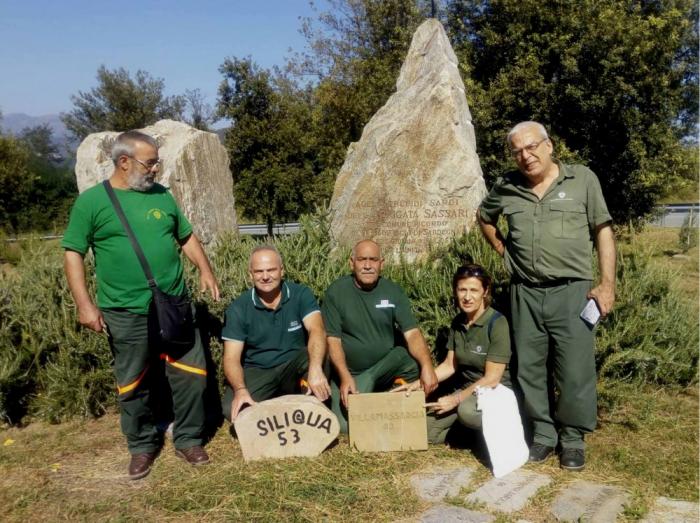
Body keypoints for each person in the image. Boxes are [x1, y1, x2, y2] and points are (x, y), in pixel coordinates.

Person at [62, 130, 220, 480]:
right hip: (125, 310)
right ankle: (142, 447)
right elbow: (73, 253)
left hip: (174, 303)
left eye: (156, 162)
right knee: (133, 382)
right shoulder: (92, 203)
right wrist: (84, 305)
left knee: (191, 374)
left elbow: (186, 236)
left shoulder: (162, 196)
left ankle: (189, 439)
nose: (155, 170)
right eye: (150, 163)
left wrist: (205, 270)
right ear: (124, 162)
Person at [478, 121, 616, 471]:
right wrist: (502, 248)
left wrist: (607, 284)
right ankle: (543, 435)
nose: (526, 156)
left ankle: (572, 439)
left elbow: (603, 230)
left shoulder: (582, 179)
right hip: (524, 292)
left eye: (532, 147)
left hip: (572, 292)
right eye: (517, 151)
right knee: (529, 368)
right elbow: (484, 216)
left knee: (574, 370)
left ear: (549, 146)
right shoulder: (507, 186)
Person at [322, 239, 438, 433]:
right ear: (352, 263)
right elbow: (333, 340)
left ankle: (392, 395)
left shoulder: (393, 291)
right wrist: (344, 376)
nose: (367, 265)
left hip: (383, 368)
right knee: (344, 427)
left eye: (373, 260)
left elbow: (412, 333)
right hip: (350, 373)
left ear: (381, 264)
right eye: (362, 260)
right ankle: (367, 393)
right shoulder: (336, 292)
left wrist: (427, 367)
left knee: (408, 359)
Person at [394, 264, 512, 444]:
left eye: (474, 290)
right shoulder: (458, 322)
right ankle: (472, 437)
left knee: (467, 412)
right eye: (462, 289)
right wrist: (418, 384)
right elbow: (449, 365)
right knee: (428, 432)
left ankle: (501, 432)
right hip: (468, 390)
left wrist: (455, 400)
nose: (467, 297)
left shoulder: (497, 323)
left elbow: (492, 379)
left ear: (485, 291)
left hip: (494, 392)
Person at [221, 245, 331, 422]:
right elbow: (231, 358)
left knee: (318, 352)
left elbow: (317, 329)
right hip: (258, 370)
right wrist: (240, 389)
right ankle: (279, 407)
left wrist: (316, 368)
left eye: (271, 270)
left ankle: (310, 407)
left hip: (292, 365)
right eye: (259, 272)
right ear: (250, 275)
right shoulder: (238, 308)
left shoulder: (300, 294)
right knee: (231, 409)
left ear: (282, 271)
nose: (265, 277)